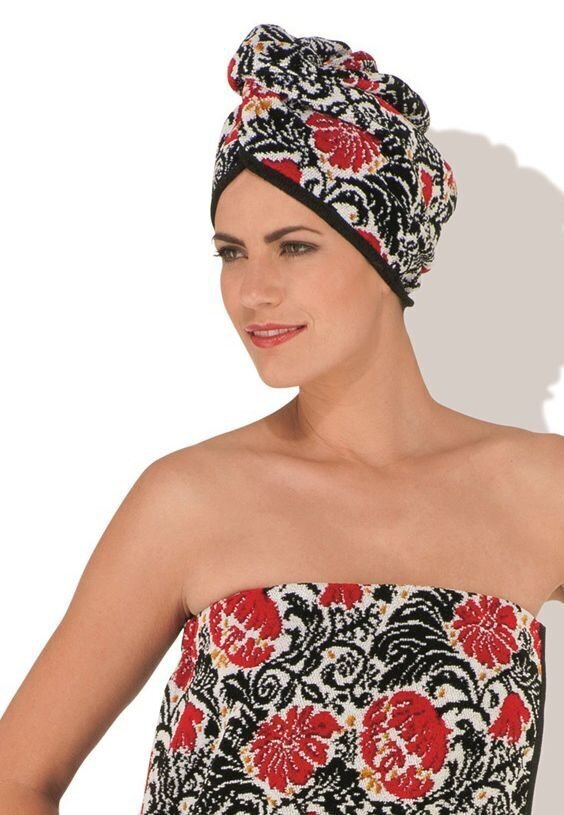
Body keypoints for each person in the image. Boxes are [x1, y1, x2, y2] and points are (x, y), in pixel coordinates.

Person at [1, 22, 563, 815]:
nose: (252, 291)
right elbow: (17, 775)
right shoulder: (188, 499)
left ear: (386, 253)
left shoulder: (542, 489)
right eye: (231, 252)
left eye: (293, 247)